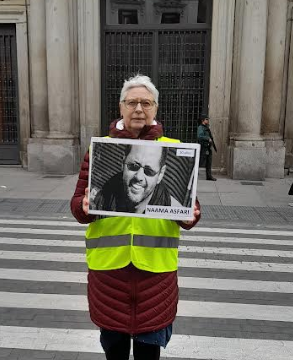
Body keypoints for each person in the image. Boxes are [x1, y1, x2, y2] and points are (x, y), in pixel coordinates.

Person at [70, 74, 201, 360]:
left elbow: (189, 213)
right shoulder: (98, 148)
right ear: (121, 107)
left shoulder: (172, 146)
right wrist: (83, 206)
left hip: (156, 277)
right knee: (114, 351)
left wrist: (191, 216)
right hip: (109, 275)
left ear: (155, 108)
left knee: (148, 352)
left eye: (146, 102)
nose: (138, 109)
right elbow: (77, 208)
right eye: (132, 102)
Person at [90, 144, 182, 213]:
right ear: (123, 162)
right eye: (133, 166)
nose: (139, 177)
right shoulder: (98, 200)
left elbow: (190, 221)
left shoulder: (175, 210)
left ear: (160, 174)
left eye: (149, 171)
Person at [197, 113, 217, 181]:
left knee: (209, 162)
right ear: (203, 120)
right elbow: (199, 136)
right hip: (204, 148)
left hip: (208, 147)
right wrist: (207, 138)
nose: (207, 120)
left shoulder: (206, 127)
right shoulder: (200, 127)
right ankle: (193, 173)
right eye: (206, 119)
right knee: (200, 162)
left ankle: (209, 176)